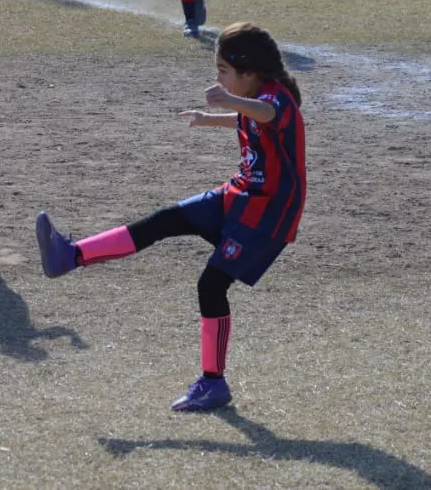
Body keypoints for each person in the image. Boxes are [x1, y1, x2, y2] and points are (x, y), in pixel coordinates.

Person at [36, 22, 305, 411]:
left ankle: (213, 383)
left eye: (224, 71)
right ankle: (70, 256)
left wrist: (229, 100)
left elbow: (264, 113)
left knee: (211, 286)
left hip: (267, 217)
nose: (218, 78)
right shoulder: (254, 97)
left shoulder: (275, 99)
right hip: (240, 195)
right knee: (166, 219)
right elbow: (250, 118)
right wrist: (209, 117)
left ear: (249, 73)